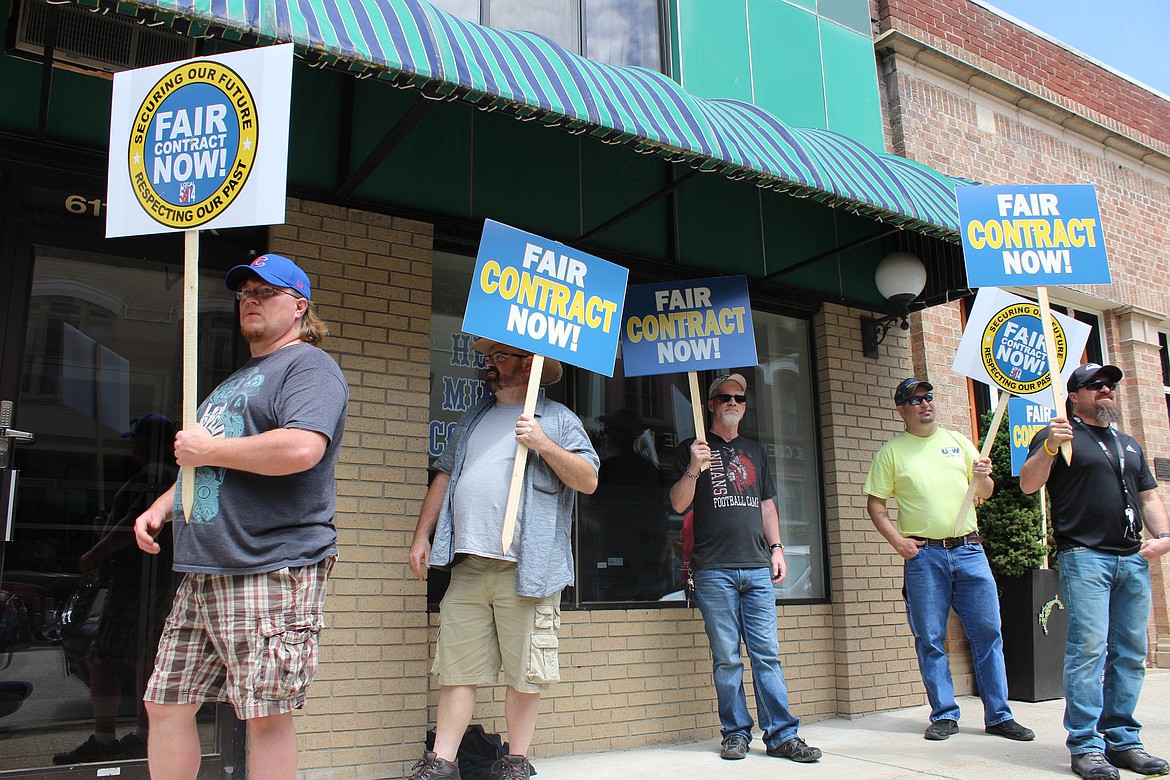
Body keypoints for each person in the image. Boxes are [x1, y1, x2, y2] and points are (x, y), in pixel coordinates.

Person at [133, 254, 349, 780]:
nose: (250, 298)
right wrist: (163, 505)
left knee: (266, 717)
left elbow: (301, 448)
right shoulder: (241, 378)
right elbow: (208, 461)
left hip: (269, 564)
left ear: (299, 305)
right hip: (206, 568)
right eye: (244, 291)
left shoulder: (309, 366)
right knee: (165, 704)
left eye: (265, 291)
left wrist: (207, 451)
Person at [408, 339, 599, 780]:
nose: (489, 365)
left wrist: (544, 444)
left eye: (499, 358)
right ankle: (442, 763)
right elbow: (445, 474)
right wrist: (423, 535)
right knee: (457, 669)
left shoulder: (558, 419)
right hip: (470, 565)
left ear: (529, 364)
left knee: (525, 671)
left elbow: (588, 479)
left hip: (527, 571)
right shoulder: (473, 417)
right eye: (488, 358)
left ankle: (515, 760)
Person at [1020, 363, 1170, 780]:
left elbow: (1149, 496)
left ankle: (1122, 740)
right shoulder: (1060, 437)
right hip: (1085, 557)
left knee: (1132, 652)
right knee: (1089, 649)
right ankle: (1086, 746)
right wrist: (1049, 446)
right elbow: (1029, 484)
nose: (1107, 390)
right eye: (1096, 385)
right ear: (1074, 396)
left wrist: (1165, 535)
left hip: (1133, 558)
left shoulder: (1129, 443)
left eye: (1110, 385)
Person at [864, 378, 1034, 743]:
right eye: (916, 400)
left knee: (988, 633)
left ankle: (999, 715)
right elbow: (875, 505)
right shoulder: (891, 453)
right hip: (925, 556)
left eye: (929, 397)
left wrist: (984, 477)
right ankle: (944, 713)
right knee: (930, 637)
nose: (926, 404)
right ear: (901, 409)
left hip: (970, 551)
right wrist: (897, 541)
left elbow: (983, 494)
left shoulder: (958, 442)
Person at [669, 373, 821, 764]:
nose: (733, 402)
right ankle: (735, 733)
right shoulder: (693, 447)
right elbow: (678, 504)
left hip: (756, 567)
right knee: (727, 657)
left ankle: (782, 735)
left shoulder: (756, 450)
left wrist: (778, 548)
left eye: (739, 397)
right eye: (724, 397)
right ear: (711, 405)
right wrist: (693, 466)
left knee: (767, 654)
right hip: (713, 569)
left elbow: (767, 504)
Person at [54, 414, 178, 764]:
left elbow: (132, 525)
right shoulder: (168, 477)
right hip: (153, 581)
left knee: (101, 655)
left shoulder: (154, 476)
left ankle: (104, 738)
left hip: (137, 583)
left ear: (148, 442)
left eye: (136, 439)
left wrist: (93, 554)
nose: (132, 446)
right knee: (145, 657)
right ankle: (142, 735)